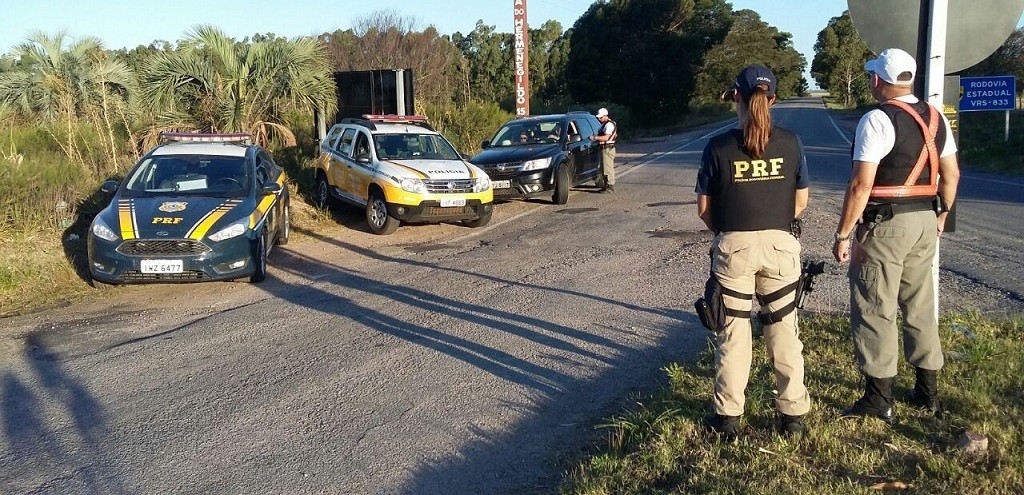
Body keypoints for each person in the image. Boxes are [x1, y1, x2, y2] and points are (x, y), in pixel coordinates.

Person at [832, 48, 960, 422]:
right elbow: (950, 176)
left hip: (887, 224)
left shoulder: (876, 119)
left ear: (878, 80)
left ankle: (878, 399)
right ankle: (927, 393)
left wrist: (844, 234)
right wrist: (941, 216)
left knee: (875, 305)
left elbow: (860, 184)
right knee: (920, 304)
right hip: (925, 218)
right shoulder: (937, 118)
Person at [695, 65, 811, 440]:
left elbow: (703, 207)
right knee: (784, 331)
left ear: (736, 98)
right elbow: (801, 201)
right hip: (781, 245)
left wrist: (726, 233)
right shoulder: (791, 142)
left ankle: (729, 418)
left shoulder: (718, 147)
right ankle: (792, 416)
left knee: (734, 333)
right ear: (773, 99)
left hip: (734, 246)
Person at [590, 108, 617, 192]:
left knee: (607, 168)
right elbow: (615, 135)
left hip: (607, 148)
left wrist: (595, 138)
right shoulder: (605, 124)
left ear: (605, 116)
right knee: (604, 167)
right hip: (605, 148)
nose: (599, 119)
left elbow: (606, 137)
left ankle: (610, 186)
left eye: (601, 117)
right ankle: (606, 185)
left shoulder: (609, 125)